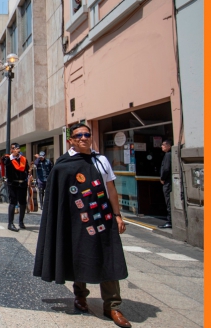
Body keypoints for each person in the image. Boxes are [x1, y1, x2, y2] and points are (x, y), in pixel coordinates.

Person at [33, 123, 131, 328]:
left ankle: (112, 305)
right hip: (77, 221)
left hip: (102, 217)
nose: (84, 138)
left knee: (109, 257)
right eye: (79, 135)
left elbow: (111, 188)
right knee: (80, 256)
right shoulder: (63, 164)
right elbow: (57, 197)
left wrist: (118, 215)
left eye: (87, 134)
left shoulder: (101, 161)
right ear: (71, 140)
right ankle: (80, 296)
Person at [2, 143, 30, 231]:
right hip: (12, 184)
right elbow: (5, 163)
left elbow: (27, 169)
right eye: (14, 148)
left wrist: (29, 178)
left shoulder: (23, 159)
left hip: (22, 183)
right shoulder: (8, 158)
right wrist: (12, 156)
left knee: (22, 203)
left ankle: (21, 222)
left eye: (18, 148)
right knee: (13, 202)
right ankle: (10, 223)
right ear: (11, 150)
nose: (16, 150)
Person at [158, 140, 173, 229]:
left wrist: (163, 178)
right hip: (168, 181)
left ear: (169, 146)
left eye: (163, 145)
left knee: (168, 201)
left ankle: (170, 221)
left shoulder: (168, 155)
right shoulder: (168, 155)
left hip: (167, 182)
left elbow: (166, 169)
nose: (162, 146)